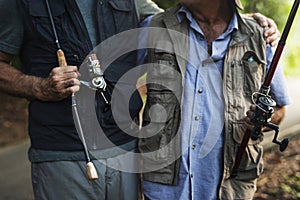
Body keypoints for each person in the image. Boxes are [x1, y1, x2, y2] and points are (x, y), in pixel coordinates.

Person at [0, 0, 281, 199]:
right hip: (61, 154)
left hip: (125, 153)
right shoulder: (19, 3)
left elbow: (187, 22)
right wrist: (39, 87)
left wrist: (249, 24)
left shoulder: (139, 6)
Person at [139, 0, 291, 199]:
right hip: (164, 188)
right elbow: (117, 83)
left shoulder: (260, 36)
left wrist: (261, 121)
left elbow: (279, 108)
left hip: (230, 188)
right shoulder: (155, 27)